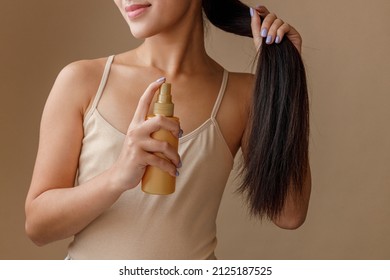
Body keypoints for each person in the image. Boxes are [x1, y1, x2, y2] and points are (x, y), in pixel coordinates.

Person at [25, 0, 311, 259]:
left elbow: (289, 214)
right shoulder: (82, 81)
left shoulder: (242, 95)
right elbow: (38, 227)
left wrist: (285, 79)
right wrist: (118, 177)